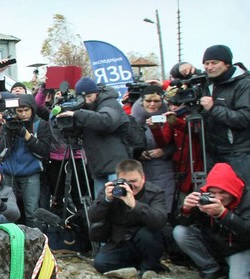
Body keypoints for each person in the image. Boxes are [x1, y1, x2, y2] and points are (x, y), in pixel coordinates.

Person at [171, 45, 250, 185]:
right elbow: (177, 74)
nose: (209, 67)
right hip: (210, 152)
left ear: (227, 64)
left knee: (242, 196)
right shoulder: (205, 81)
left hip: (238, 153)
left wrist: (213, 108)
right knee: (214, 195)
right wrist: (182, 66)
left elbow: (244, 118)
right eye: (206, 63)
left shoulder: (244, 84)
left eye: (214, 63)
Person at [173, 163, 250, 279]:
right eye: (213, 193)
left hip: (238, 247)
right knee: (180, 232)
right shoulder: (202, 194)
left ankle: (232, 268)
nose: (218, 197)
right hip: (212, 242)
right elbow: (179, 223)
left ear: (233, 190)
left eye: (223, 192)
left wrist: (223, 214)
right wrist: (185, 209)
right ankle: (211, 269)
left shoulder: (247, 198)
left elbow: (247, 231)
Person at [88, 159, 168, 277]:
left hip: (146, 238)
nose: (131, 186)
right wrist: (106, 200)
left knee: (148, 236)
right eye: (126, 182)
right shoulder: (112, 190)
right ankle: (136, 266)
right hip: (121, 239)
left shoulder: (155, 193)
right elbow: (93, 216)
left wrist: (134, 205)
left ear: (143, 178)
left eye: (134, 181)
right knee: (101, 264)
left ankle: (149, 267)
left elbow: (159, 220)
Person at [55, 77, 129, 197]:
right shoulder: (86, 108)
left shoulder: (109, 103)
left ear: (97, 93)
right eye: (84, 97)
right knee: (101, 206)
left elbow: (106, 121)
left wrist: (77, 114)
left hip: (114, 167)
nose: (87, 100)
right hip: (97, 167)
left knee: (119, 203)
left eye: (90, 96)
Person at [0, 94, 51, 229]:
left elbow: (44, 152)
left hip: (31, 173)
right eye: (19, 111)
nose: (24, 114)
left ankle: (35, 242)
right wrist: (9, 131)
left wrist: (26, 135)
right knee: (8, 212)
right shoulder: (7, 125)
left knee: (32, 212)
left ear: (32, 109)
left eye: (27, 110)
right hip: (9, 173)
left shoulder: (40, 125)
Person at [131, 85, 174, 213]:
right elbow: (126, 144)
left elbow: (177, 144)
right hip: (141, 169)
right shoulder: (133, 121)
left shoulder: (169, 118)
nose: (152, 104)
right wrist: (138, 153)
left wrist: (164, 151)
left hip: (163, 169)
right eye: (149, 101)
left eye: (156, 101)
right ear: (142, 102)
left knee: (163, 205)